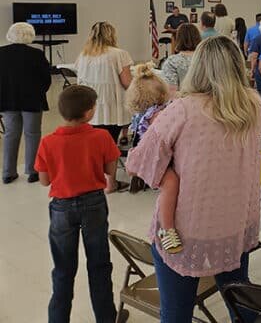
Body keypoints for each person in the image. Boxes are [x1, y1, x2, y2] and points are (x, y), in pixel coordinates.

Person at [127, 36, 261, 322]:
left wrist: (169, 175)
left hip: (185, 229)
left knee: (176, 314)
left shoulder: (184, 109)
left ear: (198, 68)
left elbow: (138, 162)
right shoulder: (252, 104)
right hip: (235, 223)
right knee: (240, 304)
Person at [35, 85, 120, 323]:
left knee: (62, 268)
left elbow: (44, 181)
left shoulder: (47, 142)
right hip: (93, 203)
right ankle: (106, 318)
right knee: (99, 264)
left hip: (61, 206)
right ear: (89, 112)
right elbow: (110, 170)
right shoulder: (101, 136)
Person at [126, 64, 182, 253]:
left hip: (157, 155)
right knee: (171, 183)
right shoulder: (157, 116)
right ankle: (167, 229)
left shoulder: (142, 115)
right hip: (155, 160)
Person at [74, 21, 132, 191]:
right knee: (110, 146)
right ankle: (110, 183)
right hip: (111, 107)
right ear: (111, 35)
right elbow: (127, 82)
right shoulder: (119, 54)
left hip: (90, 106)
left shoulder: (83, 55)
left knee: (93, 145)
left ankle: (92, 178)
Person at [0, 22, 51, 184]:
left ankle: (8, 172)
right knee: (33, 134)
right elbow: (46, 79)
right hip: (33, 100)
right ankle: (33, 170)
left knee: (10, 134)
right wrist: (39, 91)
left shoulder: (1, 53)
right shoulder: (37, 54)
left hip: (8, 100)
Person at [161, 23, 201, 92]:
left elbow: (171, 92)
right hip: (206, 101)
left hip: (182, 100)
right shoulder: (207, 59)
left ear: (178, 39)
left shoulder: (172, 62)